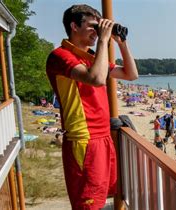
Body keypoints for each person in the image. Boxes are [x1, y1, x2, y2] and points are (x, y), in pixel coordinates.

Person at [46, 4, 138, 209]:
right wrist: (105, 40)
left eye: (100, 27)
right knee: (88, 203)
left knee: (100, 198)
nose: (97, 32)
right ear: (74, 26)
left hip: (103, 136)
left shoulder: (91, 58)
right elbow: (96, 78)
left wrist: (121, 42)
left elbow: (131, 75)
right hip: (84, 139)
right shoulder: (60, 56)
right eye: (93, 26)